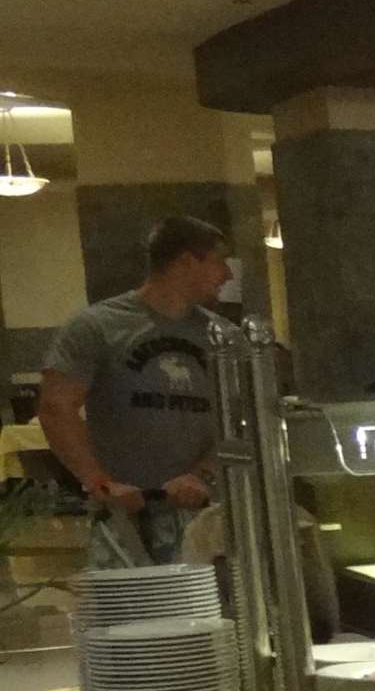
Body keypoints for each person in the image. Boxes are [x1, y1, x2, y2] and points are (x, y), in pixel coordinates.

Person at [39, 215, 232, 568]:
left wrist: (202, 474)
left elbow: (243, 418)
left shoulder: (223, 336)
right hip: (124, 518)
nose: (228, 275)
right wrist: (100, 483)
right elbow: (56, 407)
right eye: (220, 261)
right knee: (129, 601)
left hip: (206, 516)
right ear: (187, 261)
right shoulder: (97, 325)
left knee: (209, 603)